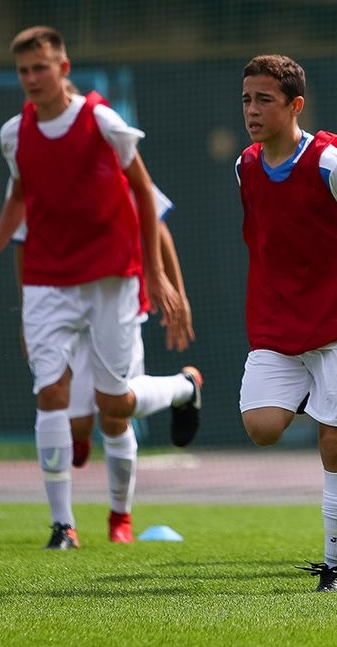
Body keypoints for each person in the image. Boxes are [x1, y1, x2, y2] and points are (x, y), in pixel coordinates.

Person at [0, 26, 202, 550]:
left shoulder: (102, 121)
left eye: (40, 68)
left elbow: (144, 194)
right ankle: (62, 525)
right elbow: (18, 197)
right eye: (23, 71)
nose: (31, 79)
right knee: (51, 395)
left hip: (111, 277)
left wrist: (157, 274)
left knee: (116, 405)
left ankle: (183, 390)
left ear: (63, 69)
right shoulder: (14, 134)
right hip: (48, 280)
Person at [236, 54, 337, 593]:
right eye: (246, 99)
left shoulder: (331, 165)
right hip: (282, 323)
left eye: (264, 100)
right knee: (262, 427)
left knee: (333, 443)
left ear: (295, 105)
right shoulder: (245, 167)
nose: (252, 110)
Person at [11, 182, 198, 544]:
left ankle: (120, 517)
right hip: (61, 306)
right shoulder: (32, 167)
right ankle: (67, 505)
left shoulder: (116, 162)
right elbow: (21, 240)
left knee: (114, 415)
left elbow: (157, 225)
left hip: (116, 304)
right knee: (76, 423)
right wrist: (26, 315)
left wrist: (175, 290)